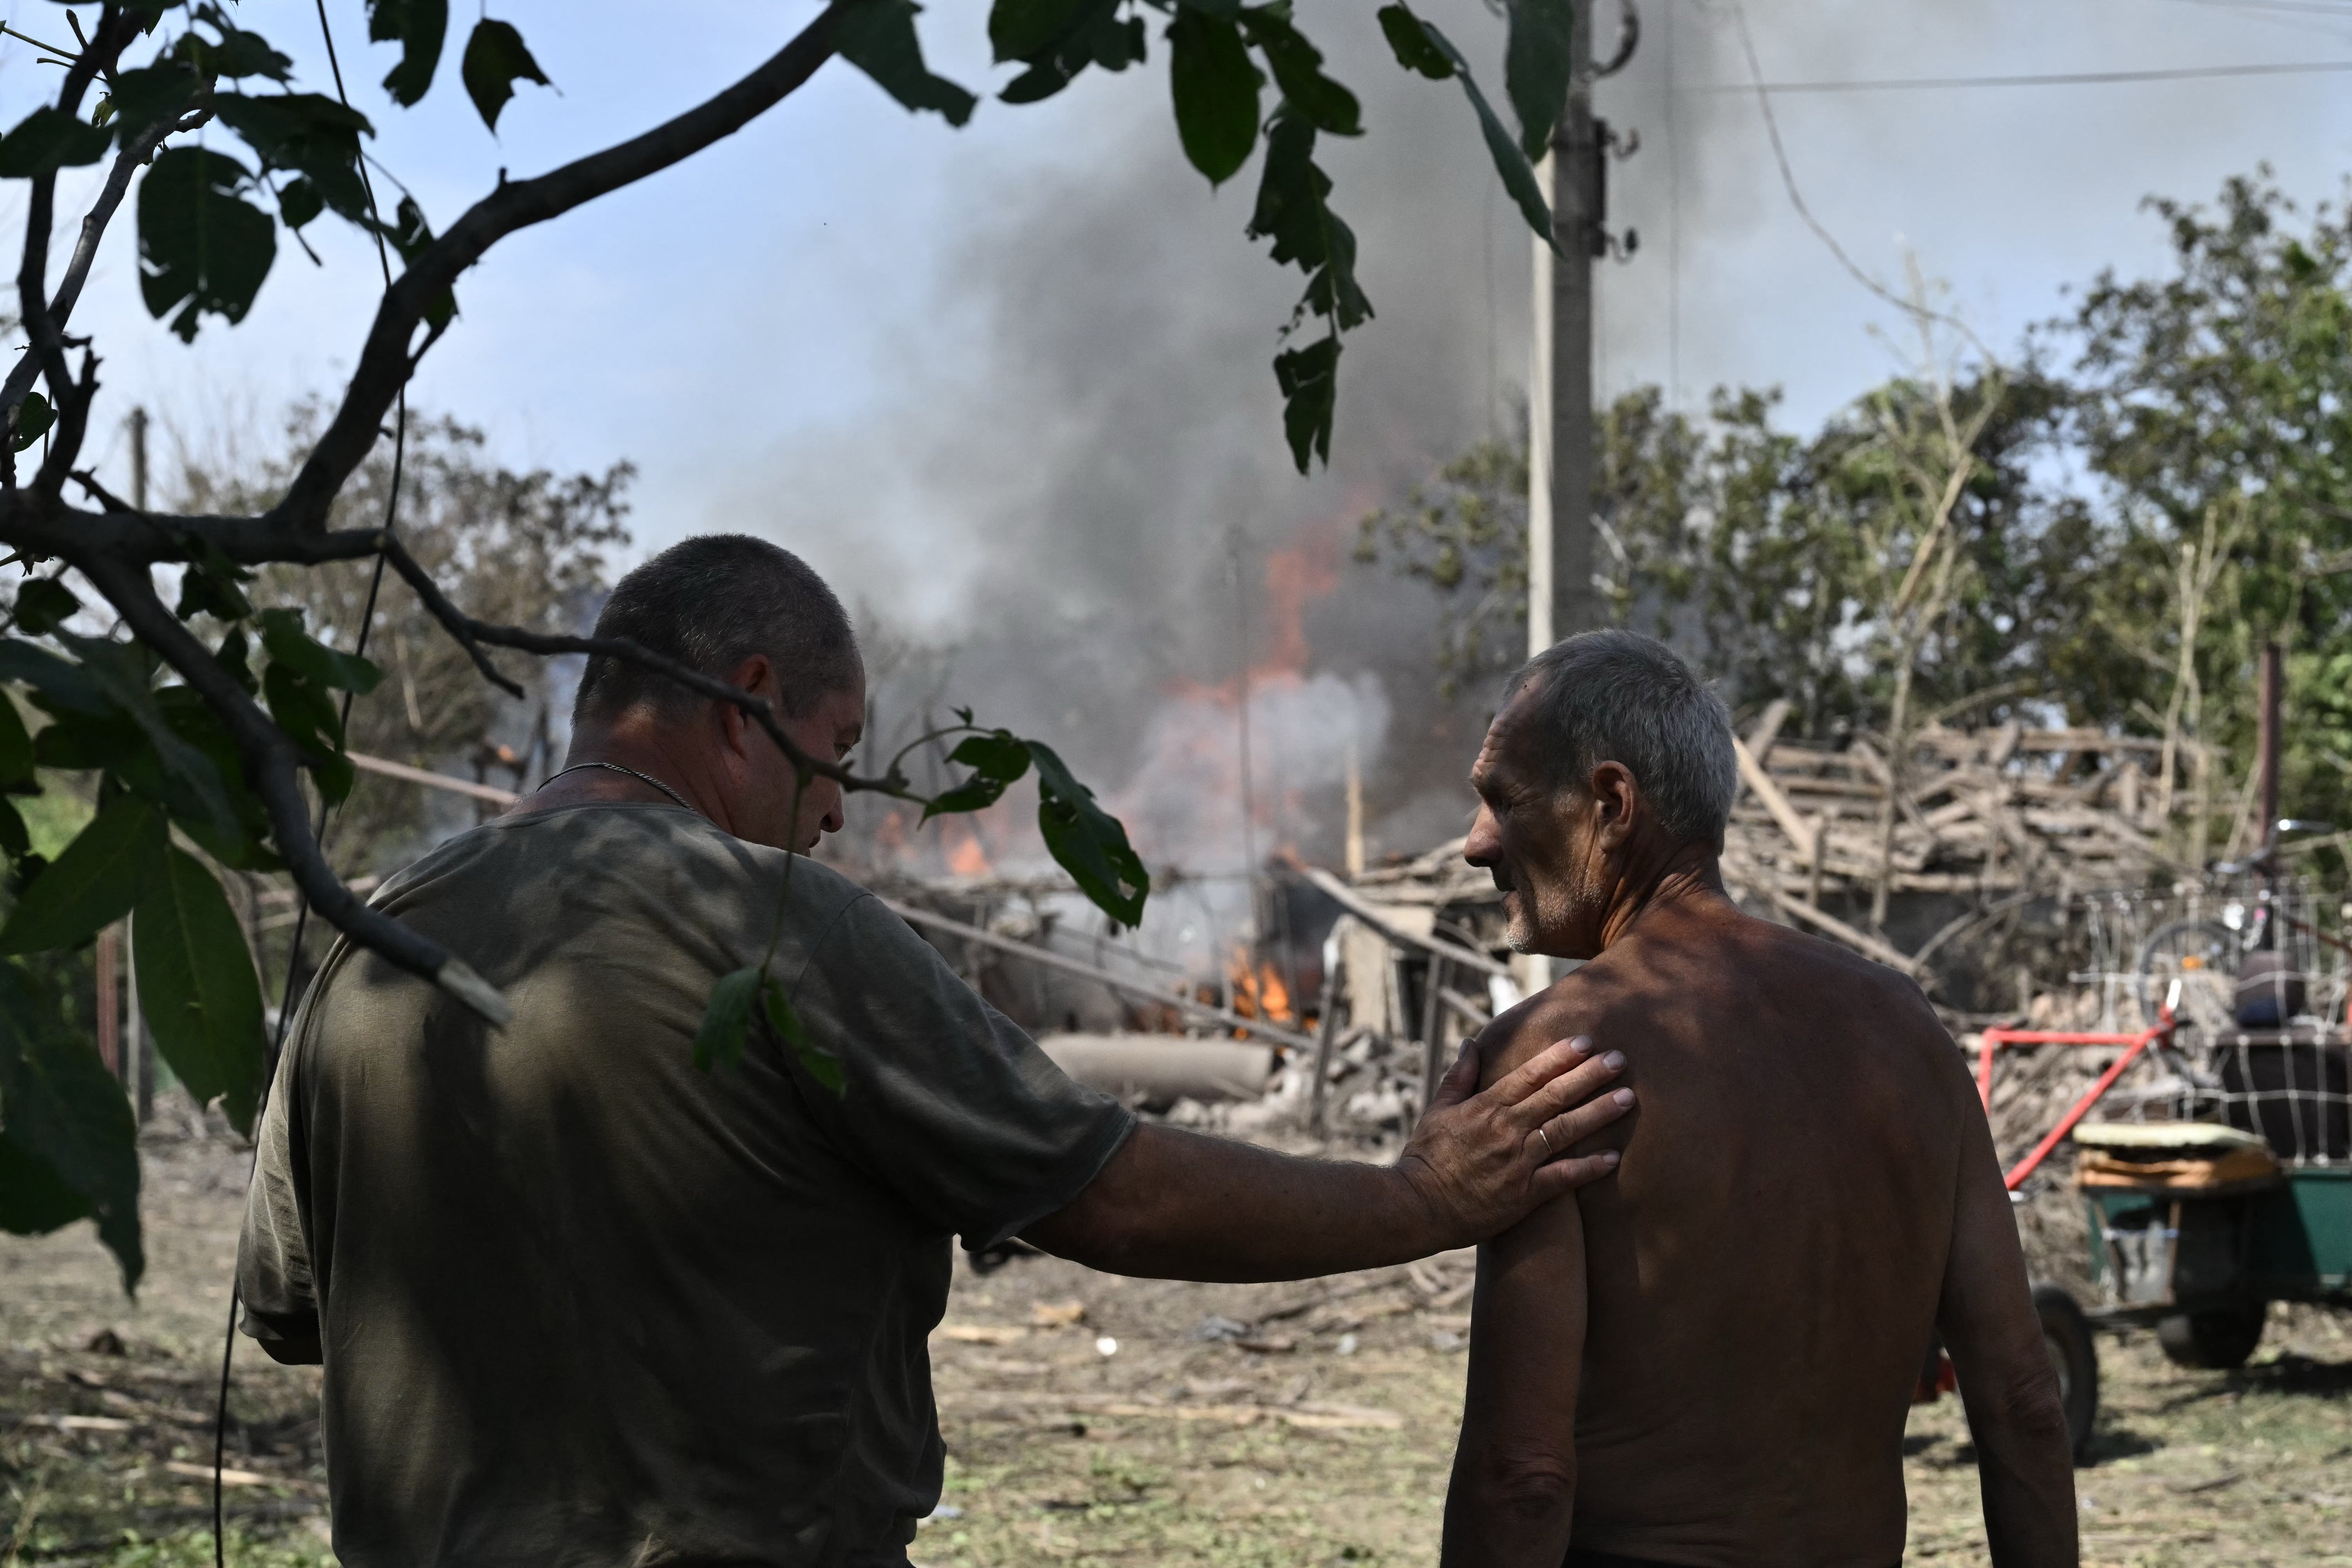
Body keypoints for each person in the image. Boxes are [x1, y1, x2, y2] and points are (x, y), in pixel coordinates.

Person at [236, 534, 1638, 1568]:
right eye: (836, 755)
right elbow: (1107, 1193)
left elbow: (290, 1312)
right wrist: (1426, 1196)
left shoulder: (372, 938)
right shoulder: (777, 929)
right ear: (745, 699)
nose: (840, 814)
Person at [1440, 630, 2077, 1568]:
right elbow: (2022, 1400)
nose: (1474, 846)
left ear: (1611, 805)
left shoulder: (1552, 1064)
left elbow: (1522, 1476)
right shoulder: (1906, 1032)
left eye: (1503, 800)